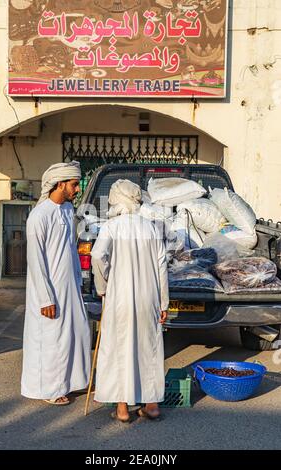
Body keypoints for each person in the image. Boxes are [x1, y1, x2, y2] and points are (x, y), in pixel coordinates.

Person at [91, 179, 169, 422]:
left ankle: (123, 409)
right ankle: (152, 405)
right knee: (149, 349)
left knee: (119, 348)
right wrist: (164, 303)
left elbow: (97, 256)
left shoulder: (111, 227)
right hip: (149, 298)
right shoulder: (151, 228)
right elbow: (162, 267)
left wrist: (102, 287)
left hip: (119, 298)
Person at [21, 161, 91, 405]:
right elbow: (36, 261)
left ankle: (71, 382)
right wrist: (45, 298)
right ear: (60, 183)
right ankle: (49, 389)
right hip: (49, 290)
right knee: (52, 339)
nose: (77, 189)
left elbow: (70, 251)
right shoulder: (39, 216)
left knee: (76, 333)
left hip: (69, 286)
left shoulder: (67, 210)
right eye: (74, 184)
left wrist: (77, 282)